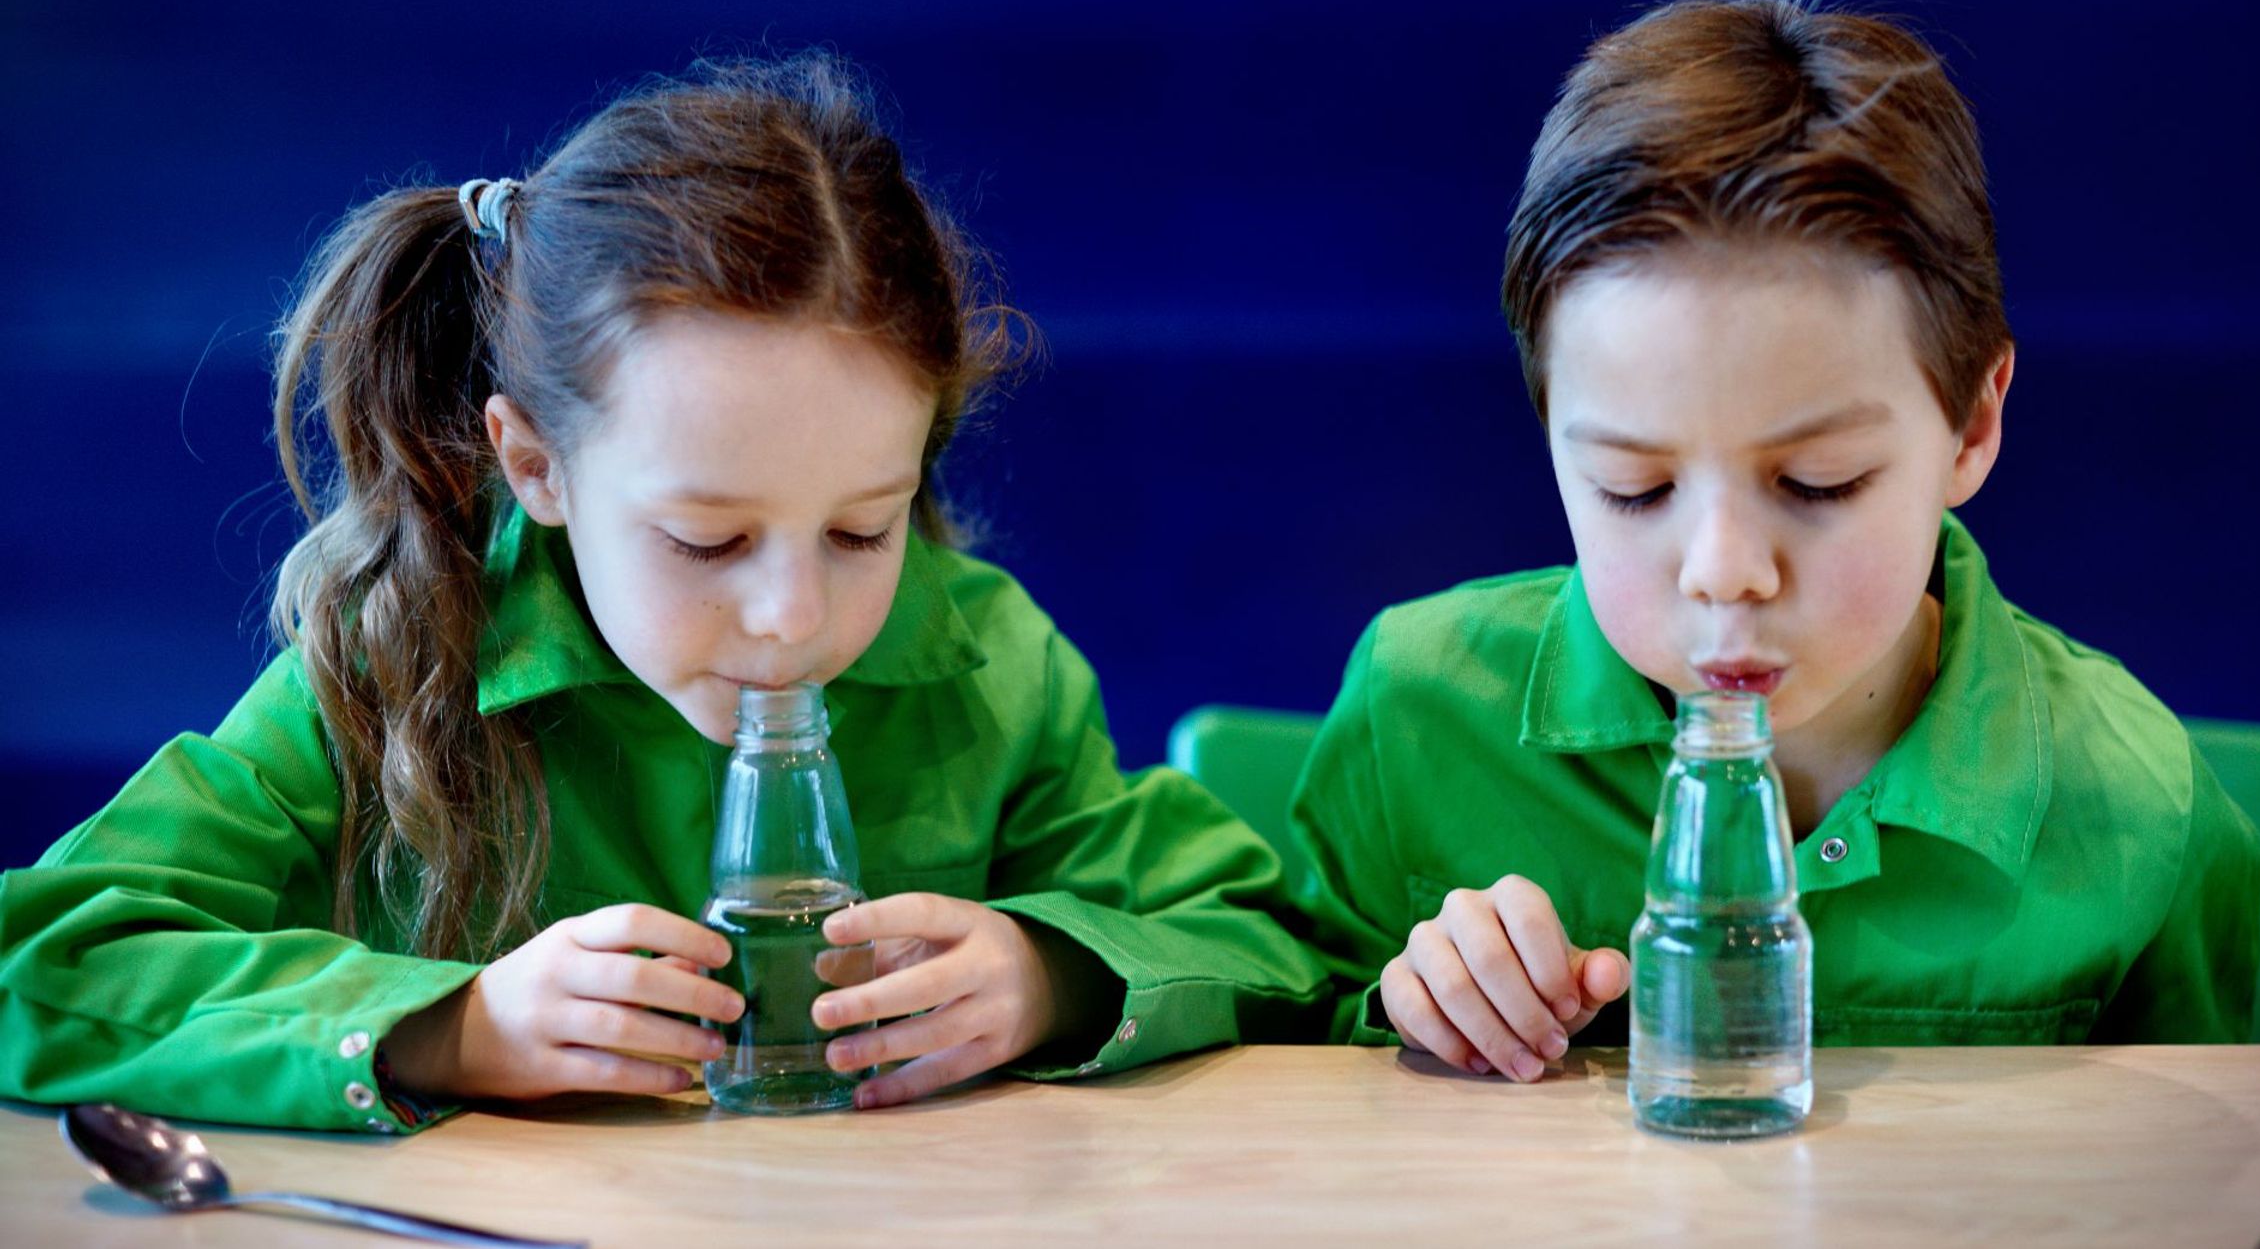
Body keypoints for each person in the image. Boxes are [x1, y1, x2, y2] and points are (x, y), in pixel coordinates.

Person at [0, 55, 1326, 1132]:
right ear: (537, 466)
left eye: (861, 530)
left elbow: (1263, 936)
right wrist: (450, 1027)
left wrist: (1050, 978)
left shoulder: (995, 659)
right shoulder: (395, 655)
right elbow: (45, 959)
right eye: (705, 540)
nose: (793, 616)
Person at [1290, 0, 2260, 1083]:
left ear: (1972, 423)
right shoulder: (1412, 720)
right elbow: (1290, 1064)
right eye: (1633, 488)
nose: (1724, 571)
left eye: (1818, 481)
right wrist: (1411, 1010)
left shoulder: (2145, 808)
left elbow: (2201, 1158)